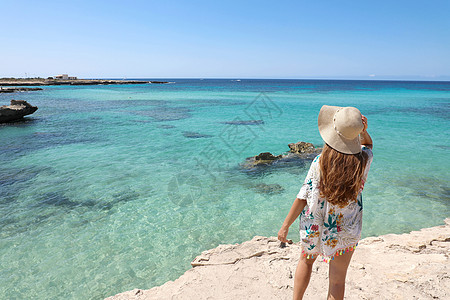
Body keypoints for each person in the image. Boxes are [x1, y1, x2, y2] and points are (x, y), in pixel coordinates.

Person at [278, 105, 373, 300]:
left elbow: (303, 196)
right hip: (346, 230)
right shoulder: (363, 161)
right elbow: (368, 145)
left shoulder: (319, 162)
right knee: (337, 281)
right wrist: (364, 132)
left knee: (305, 263)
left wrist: (285, 226)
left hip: (315, 226)